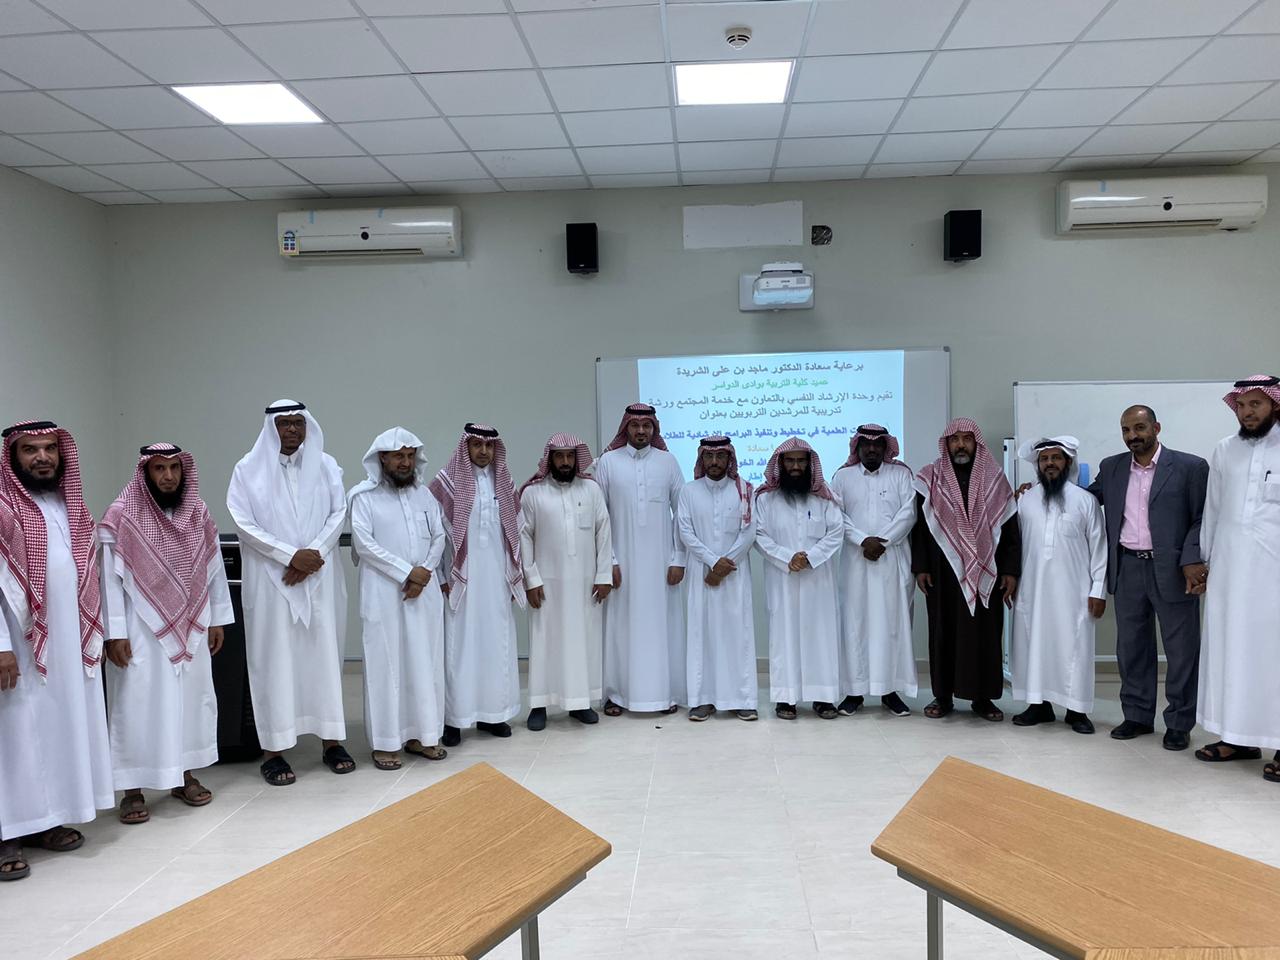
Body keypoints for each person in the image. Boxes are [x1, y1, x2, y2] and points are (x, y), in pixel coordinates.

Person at [0, 421, 111, 882]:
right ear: (13, 457)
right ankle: (7, 834)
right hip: (17, 646)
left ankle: (47, 820)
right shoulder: (3, 508)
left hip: (65, 643)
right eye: (30, 450)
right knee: (15, 738)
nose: (42, 457)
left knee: (54, 730)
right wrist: (1, 646)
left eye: (49, 448)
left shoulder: (71, 505)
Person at [100, 442, 232, 825]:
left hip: (191, 623)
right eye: (159, 469)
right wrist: (114, 632)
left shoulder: (197, 511)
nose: (168, 476)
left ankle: (184, 775)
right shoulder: (122, 515)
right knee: (136, 703)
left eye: (174, 468)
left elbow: (213, 568)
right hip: (138, 628)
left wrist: (217, 618)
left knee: (189, 700)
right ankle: (132, 789)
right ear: (145, 472)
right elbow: (108, 579)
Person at [226, 400, 353, 785]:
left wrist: (313, 553)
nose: (293, 430)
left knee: (324, 656)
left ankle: (332, 742)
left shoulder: (327, 465)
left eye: (299, 422)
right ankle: (274, 751)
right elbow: (243, 522)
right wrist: (289, 556)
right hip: (271, 581)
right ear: (271, 428)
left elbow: (338, 513)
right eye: (284, 423)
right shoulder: (247, 470)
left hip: (320, 575)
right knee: (273, 660)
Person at [1087, 405, 1208, 750]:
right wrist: (1038, 489)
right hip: (1128, 567)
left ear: (1156, 428)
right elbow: (1087, 498)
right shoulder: (1111, 467)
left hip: (1173, 569)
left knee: (1181, 651)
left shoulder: (1190, 467)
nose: (1132, 436)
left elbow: (1202, 518)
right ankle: (1137, 716)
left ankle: (1179, 723)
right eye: (1126, 430)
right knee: (1132, 648)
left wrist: (1192, 559)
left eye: (1139, 428)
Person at [1195, 375, 1280, 780]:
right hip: (1230, 573)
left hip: (1273, 575)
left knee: (1272, 657)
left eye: (1256, 404)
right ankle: (1237, 737)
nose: (1247, 412)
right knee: (1232, 652)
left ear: (1275, 404)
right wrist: (1204, 562)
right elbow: (1212, 510)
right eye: (1242, 405)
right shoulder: (1224, 450)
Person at [349, 428, 448, 770]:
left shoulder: (425, 496)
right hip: (383, 592)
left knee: (425, 662)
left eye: (409, 456)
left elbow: (439, 536)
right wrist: (408, 572)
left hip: (424, 592)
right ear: (382, 459)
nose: (405, 462)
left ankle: (423, 735)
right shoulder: (363, 497)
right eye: (398, 456)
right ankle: (386, 743)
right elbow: (364, 544)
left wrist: (425, 571)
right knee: (386, 664)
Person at [911, 418, 1020, 723]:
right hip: (941, 571)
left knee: (985, 635)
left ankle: (983, 698)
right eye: (955, 439)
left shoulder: (994, 478)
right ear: (946, 444)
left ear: (976, 443)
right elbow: (919, 528)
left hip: (987, 570)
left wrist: (1010, 570)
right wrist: (921, 567)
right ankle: (943, 696)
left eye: (967, 439)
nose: (960, 445)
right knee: (943, 632)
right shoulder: (930, 477)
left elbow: (1010, 527)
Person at [429, 424, 523, 747]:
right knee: (458, 649)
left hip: (496, 581)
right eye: (477, 445)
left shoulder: (504, 483)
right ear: (465, 447)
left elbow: (515, 532)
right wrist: (442, 577)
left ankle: (493, 715)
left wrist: (514, 577)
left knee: (497, 645)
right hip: (461, 583)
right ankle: (455, 720)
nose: (484, 452)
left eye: (489, 446)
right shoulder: (446, 483)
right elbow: (434, 535)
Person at [1009, 437, 1106, 735]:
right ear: (1037, 465)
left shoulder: (1085, 501)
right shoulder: (1025, 500)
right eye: (1044, 459)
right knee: (1034, 645)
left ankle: (1077, 710)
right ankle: (1038, 706)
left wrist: (1098, 590)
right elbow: (1013, 545)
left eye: (1056, 458)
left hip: (1075, 593)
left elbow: (1100, 549)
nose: (1050, 463)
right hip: (1033, 591)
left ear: (1068, 462)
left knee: (1075, 648)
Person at [594, 403, 686, 717]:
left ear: (654, 429)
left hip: (661, 566)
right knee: (620, 628)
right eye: (635, 426)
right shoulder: (608, 462)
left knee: (662, 627)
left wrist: (678, 558)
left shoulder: (668, 462)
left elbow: (681, 514)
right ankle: (615, 694)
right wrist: (609, 560)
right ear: (626, 428)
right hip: (621, 565)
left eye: (647, 426)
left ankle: (664, 694)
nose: (641, 431)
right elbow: (600, 516)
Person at [519, 434, 612, 730]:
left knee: (584, 641)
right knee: (544, 641)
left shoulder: (592, 490)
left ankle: (580, 703)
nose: (565, 462)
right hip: (547, 585)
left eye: (570, 456)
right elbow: (524, 537)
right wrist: (531, 580)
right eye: (559, 456)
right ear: (549, 459)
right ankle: (539, 704)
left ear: (577, 458)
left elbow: (603, 532)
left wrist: (604, 575)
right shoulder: (533, 493)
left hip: (586, 583)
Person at [754, 438, 843, 720]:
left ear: (809, 464)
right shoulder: (765, 499)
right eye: (790, 461)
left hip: (819, 578)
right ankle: (785, 698)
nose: (795, 466)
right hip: (782, 579)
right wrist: (787, 558)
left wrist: (811, 557)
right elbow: (758, 535)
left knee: (821, 636)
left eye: (801, 461)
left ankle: (823, 698)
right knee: (784, 638)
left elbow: (836, 532)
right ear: (780, 464)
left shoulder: (824, 498)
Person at [831, 424, 916, 718]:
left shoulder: (901, 475)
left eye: (877, 444)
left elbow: (909, 513)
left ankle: (889, 691)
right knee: (855, 624)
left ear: (885, 448)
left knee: (890, 624)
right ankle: (854, 692)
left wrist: (883, 541)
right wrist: (861, 540)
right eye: (865, 444)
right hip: (855, 561)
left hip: (891, 559)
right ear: (857, 447)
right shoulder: (842, 477)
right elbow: (837, 516)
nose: (871, 449)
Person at [676, 436, 758, 722]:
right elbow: (685, 531)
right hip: (701, 573)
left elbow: (749, 532)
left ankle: (743, 699)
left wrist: (724, 565)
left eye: (720, 456)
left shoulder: (744, 490)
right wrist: (712, 561)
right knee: (702, 635)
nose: (714, 462)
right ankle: (702, 700)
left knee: (738, 634)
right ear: (701, 459)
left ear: (729, 459)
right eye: (709, 457)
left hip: (734, 574)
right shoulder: (689, 491)